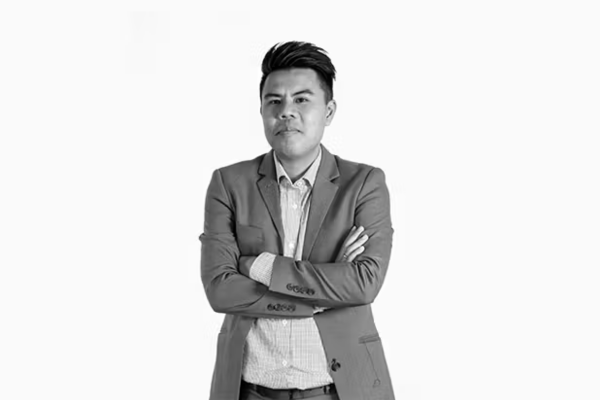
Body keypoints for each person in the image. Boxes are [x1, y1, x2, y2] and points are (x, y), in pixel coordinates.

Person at [199, 41, 395, 400]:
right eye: (274, 101)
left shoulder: (364, 184)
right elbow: (219, 289)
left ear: (329, 111)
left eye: (302, 99)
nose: (286, 111)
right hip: (249, 391)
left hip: (340, 390)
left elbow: (364, 283)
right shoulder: (228, 183)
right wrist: (322, 293)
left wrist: (259, 266)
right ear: (261, 111)